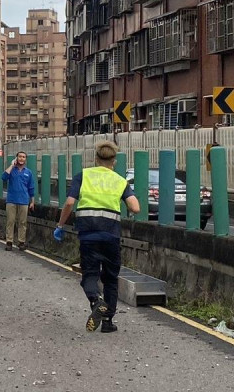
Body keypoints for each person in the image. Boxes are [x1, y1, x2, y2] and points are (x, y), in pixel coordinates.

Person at [53, 141, 141, 333]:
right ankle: (108, 322)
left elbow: (69, 203)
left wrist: (60, 225)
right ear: (114, 161)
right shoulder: (120, 181)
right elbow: (135, 207)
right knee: (110, 279)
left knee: (90, 275)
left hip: (88, 235)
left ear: (96, 158)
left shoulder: (83, 176)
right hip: (111, 235)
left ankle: (95, 300)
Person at [1, 151, 35, 251]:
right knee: (10, 221)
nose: (21, 159)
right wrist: (11, 165)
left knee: (22, 222)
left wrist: (32, 201)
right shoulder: (12, 170)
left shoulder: (28, 172)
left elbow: (31, 187)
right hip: (11, 200)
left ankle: (21, 242)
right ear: (16, 158)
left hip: (24, 200)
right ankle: (9, 242)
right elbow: (3, 177)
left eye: (23, 157)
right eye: (20, 157)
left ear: (26, 159)